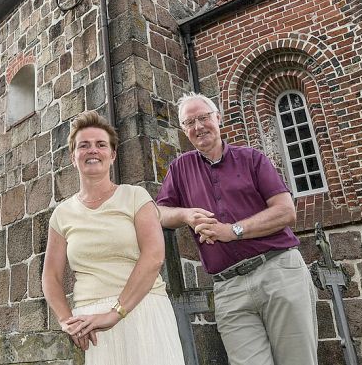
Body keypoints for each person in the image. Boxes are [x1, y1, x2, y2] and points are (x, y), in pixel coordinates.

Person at [156, 92, 317, 365]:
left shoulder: (252, 159)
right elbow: (159, 212)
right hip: (228, 286)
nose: (198, 127)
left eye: (203, 118)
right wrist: (186, 215)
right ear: (183, 130)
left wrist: (232, 231)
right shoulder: (180, 169)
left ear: (217, 118)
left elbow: (286, 211)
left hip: (277, 270)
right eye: (189, 122)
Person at [42, 111, 185, 365]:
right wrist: (66, 320)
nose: (92, 151)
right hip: (89, 323)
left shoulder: (135, 197)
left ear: (112, 154)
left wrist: (116, 313)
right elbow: (51, 276)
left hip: (143, 311)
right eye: (83, 145)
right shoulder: (62, 214)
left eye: (100, 145)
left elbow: (153, 257)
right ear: (72, 157)